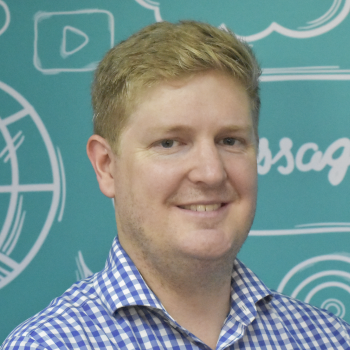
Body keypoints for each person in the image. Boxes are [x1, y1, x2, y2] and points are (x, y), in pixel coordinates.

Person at [1, 20, 350, 350]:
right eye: (170, 143)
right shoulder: (49, 344)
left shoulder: (329, 338)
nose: (211, 173)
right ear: (107, 167)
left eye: (230, 141)